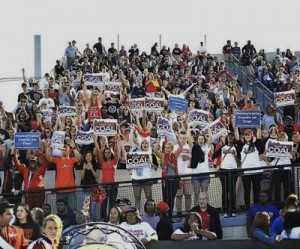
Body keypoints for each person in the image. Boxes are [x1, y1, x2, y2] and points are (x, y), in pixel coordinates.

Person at [46, 141, 81, 212]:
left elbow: (79, 158)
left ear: (69, 151)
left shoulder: (72, 160)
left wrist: (74, 147)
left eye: (66, 149)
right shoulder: (57, 161)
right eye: (62, 149)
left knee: (73, 210)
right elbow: (48, 157)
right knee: (60, 211)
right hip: (60, 191)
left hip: (71, 190)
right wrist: (48, 147)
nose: (64, 151)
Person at [212, 131, 240, 217]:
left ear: (233, 138)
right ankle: (225, 210)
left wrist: (234, 155)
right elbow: (213, 155)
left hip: (233, 170)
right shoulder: (222, 147)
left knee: (232, 191)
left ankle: (233, 210)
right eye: (229, 137)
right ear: (227, 138)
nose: (230, 138)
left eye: (232, 137)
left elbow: (239, 162)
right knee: (224, 190)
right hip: (223, 170)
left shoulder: (236, 147)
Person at [153, 139, 183, 217]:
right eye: (165, 147)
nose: (166, 149)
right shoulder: (163, 155)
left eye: (168, 147)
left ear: (171, 149)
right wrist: (158, 139)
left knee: (172, 199)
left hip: (174, 180)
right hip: (166, 180)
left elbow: (181, 146)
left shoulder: (174, 155)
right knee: (166, 198)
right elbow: (155, 150)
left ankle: (170, 215)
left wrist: (177, 137)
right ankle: (164, 215)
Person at [235, 128, 262, 209]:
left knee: (256, 190)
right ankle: (247, 208)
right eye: (245, 135)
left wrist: (259, 127)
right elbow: (236, 138)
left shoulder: (256, 144)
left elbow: (259, 137)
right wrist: (236, 128)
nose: (247, 136)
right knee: (247, 190)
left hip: (256, 171)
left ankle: (257, 207)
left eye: (248, 135)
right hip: (246, 172)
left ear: (251, 136)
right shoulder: (241, 145)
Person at [130, 139, 158, 211]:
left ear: (149, 145)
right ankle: (137, 214)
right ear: (141, 145)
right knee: (137, 198)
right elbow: (129, 164)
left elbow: (156, 168)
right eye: (143, 143)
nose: (145, 144)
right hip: (136, 179)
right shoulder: (134, 154)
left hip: (147, 179)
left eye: (146, 143)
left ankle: (151, 213)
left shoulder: (152, 155)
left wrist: (150, 163)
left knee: (149, 197)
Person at [78, 151, 99, 221]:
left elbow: (96, 176)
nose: (88, 157)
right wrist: (84, 169)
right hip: (85, 189)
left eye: (89, 156)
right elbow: (82, 177)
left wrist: (92, 168)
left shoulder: (95, 165)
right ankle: (85, 222)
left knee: (92, 208)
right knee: (85, 207)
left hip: (93, 189)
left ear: (92, 157)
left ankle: (92, 223)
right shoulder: (82, 164)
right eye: (87, 156)